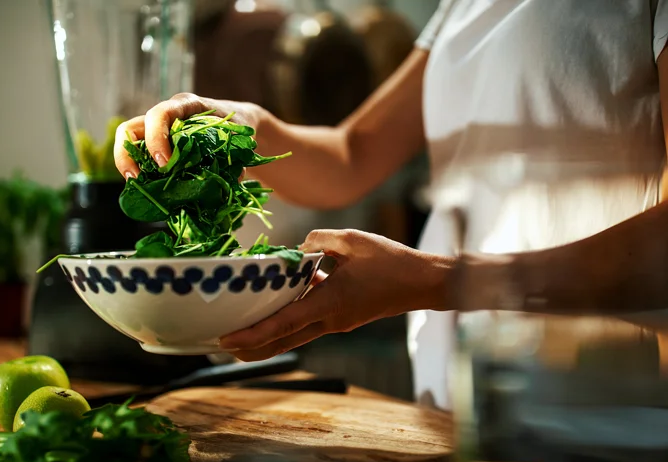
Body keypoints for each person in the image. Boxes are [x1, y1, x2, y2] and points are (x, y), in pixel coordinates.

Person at [115, 0, 668, 411]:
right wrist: (245, 123)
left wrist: (436, 282)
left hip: (597, 404)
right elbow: (352, 156)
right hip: (451, 396)